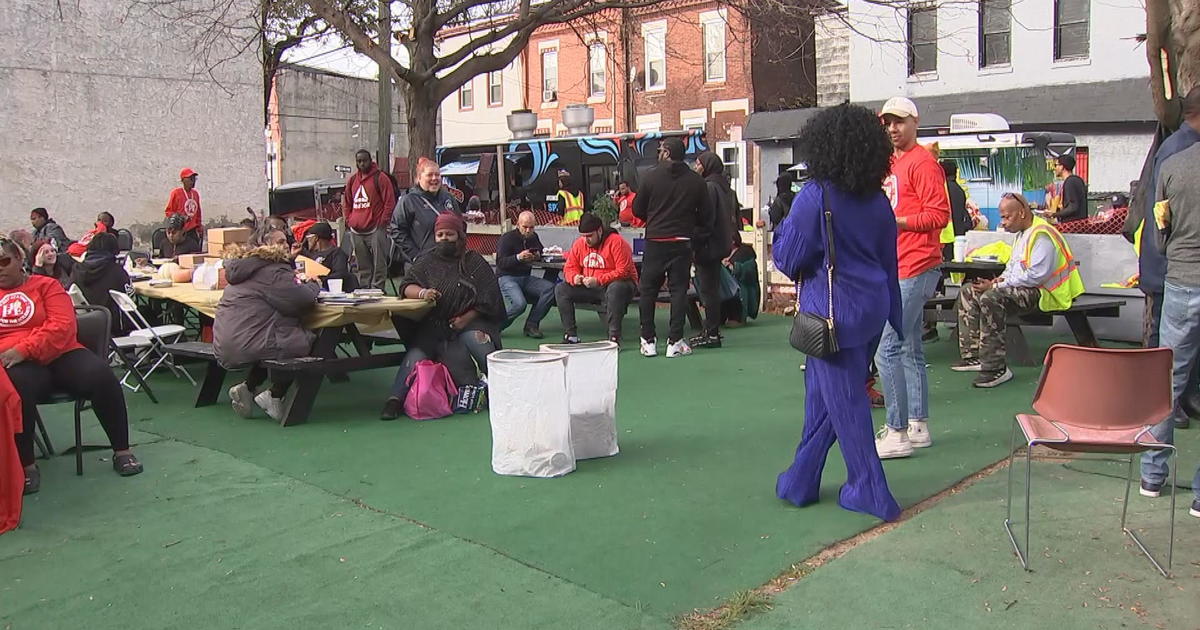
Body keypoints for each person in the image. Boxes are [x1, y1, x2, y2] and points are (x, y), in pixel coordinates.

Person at [772, 104, 903, 522]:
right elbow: (889, 260)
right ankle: (801, 478)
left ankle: (870, 489)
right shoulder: (878, 200)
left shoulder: (815, 196)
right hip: (870, 309)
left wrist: (782, 228)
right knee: (825, 396)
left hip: (831, 313)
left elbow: (788, 259)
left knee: (844, 401)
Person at [0, 237, 144, 495]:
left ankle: (122, 450)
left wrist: (24, 348)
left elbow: (62, 326)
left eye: (4, 261)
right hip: (14, 361)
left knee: (101, 376)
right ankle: (26, 465)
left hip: (59, 352)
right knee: (16, 389)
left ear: (20, 260)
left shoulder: (47, 286)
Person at [874, 96, 950, 460]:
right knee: (908, 347)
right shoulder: (894, 163)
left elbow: (939, 215)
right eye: (888, 122)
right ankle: (917, 425)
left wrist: (898, 222)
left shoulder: (923, 163)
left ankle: (897, 430)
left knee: (887, 346)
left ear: (915, 122)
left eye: (899, 121)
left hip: (916, 263)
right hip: (902, 263)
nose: (892, 128)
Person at [951, 193, 1083, 387]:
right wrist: (1000, 279)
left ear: (1021, 213)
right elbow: (1014, 267)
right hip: (1025, 289)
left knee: (991, 297)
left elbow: (1036, 276)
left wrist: (997, 285)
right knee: (969, 291)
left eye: (1006, 217)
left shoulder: (1042, 234)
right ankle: (973, 356)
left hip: (1045, 293)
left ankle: (996, 368)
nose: (1003, 223)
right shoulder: (1023, 234)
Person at [380, 212, 503, 420]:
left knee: (478, 343)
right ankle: (394, 400)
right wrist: (423, 293)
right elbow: (406, 285)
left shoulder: (473, 261)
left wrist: (465, 318)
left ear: (459, 235)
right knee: (416, 355)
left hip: (471, 321)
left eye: (449, 234)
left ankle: (502, 389)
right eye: (440, 235)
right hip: (436, 324)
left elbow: (489, 297)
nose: (444, 238)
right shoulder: (427, 260)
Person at [1140, 131, 1200, 510]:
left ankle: (1152, 473)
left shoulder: (1173, 164)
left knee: (1168, 380)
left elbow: (1160, 230)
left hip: (1181, 279)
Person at [1136, 87, 1200, 425]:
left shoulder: (1173, 150)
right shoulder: (1179, 149)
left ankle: (1177, 402)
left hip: (1169, 266)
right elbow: (1162, 217)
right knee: (1167, 354)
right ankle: (1165, 407)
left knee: (1172, 350)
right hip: (1172, 270)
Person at [214, 241, 321, 422]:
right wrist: (314, 285)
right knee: (309, 341)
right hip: (248, 343)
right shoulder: (274, 272)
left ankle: (248, 388)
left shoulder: (241, 272)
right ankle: (275, 395)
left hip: (226, 344)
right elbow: (302, 300)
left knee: (275, 337)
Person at [632, 137, 713, 358]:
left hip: (656, 240)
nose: (658, 154)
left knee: (648, 290)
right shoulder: (696, 181)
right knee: (679, 291)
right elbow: (706, 216)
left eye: (660, 151)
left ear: (666, 153)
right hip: (682, 241)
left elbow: (637, 209)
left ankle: (648, 341)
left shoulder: (650, 176)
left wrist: (655, 215)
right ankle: (674, 341)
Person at [555, 213, 638, 344]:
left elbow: (624, 271)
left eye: (589, 236)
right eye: (583, 236)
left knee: (615, 288)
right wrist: (575, 277)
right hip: (590, 286)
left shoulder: (616, 242)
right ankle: (571, 335)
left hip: (620, 285)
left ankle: (614, 337)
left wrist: (599, 280)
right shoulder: (580, 244)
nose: (586, 240)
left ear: (599, 231)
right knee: (561, 289)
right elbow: (569, 267)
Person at [690, 151, 737, 349]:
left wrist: (696, 238)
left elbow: (706, 218)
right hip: (719, 243)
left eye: (698, 164)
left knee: (708, 291)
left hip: (708, 244)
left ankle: (711, 333)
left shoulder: (709, 187)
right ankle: (711, 329)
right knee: (712, 289)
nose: (695, 167)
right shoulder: (723, 186)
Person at [389, 159, 462, 268]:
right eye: (430, 175)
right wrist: (415, 256)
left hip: (449, 262)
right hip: (421, 264)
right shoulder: (408, 201)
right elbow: (396, 229)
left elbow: (459, 224)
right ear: (419, 178)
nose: (434, 178)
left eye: (437, 175)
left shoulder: (448, 198)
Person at [343, 149, 397, 290]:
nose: (362, 164)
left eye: (364, 160)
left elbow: (389, 201)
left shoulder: (380, 178)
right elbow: (347, 202)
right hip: (357, 229)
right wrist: (349, 220)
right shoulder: (352, 181)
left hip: (375, 228)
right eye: (359, 161)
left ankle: (378, 289)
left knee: (379, 263)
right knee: (362, 264)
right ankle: (364, 289)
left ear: (370, 160)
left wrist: (383, 221)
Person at [496, 211, 555, 338]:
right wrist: (518, 258)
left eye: (531, 227)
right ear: (518, 225)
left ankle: (531, 324)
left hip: (526, 277)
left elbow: (540, 250)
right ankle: (494, 326)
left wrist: (537, 255)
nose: (528, 230)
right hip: (507, 277)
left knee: (550, 288)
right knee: (519, 305)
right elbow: (500, 263)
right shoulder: (507, 238)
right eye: (525, 227)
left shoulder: (534, 237)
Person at [70, 232, 135, 335]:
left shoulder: (76, 269)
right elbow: (130, 296)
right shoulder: (116, 271)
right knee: (150, 314)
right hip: (113, 324)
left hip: (85, 322)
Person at [299, 222, 357, 292]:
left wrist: (320, 279)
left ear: (316, 238)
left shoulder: (337, 253)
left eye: (309, 237)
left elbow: (340, 274)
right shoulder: (310, 254)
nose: (308, 240)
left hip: (333, 292)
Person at [724, 232, 759, 327]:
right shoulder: (723, 252)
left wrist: (734, 267)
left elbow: (750, 272)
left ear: (733, 241)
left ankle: (737, 317)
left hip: (740, 285)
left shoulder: (745, 253)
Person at [165, 167, 204, 241]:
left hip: (192, 230)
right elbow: (168, 212)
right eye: (190, 178)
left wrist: (199, 227)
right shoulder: (176, 193)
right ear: (183, 180)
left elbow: (198, 212)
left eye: (194, 178)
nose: (192, 181)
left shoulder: (195, 194)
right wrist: (181, 218)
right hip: (180, 231)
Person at [1051, 155, 1088, 223]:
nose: (1055, 168)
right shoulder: (1076, 180)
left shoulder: (1070, 182)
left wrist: (1054, 214)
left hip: (1072, 226)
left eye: (1056, 165)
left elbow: (1073, 207)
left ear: (1062, 167)